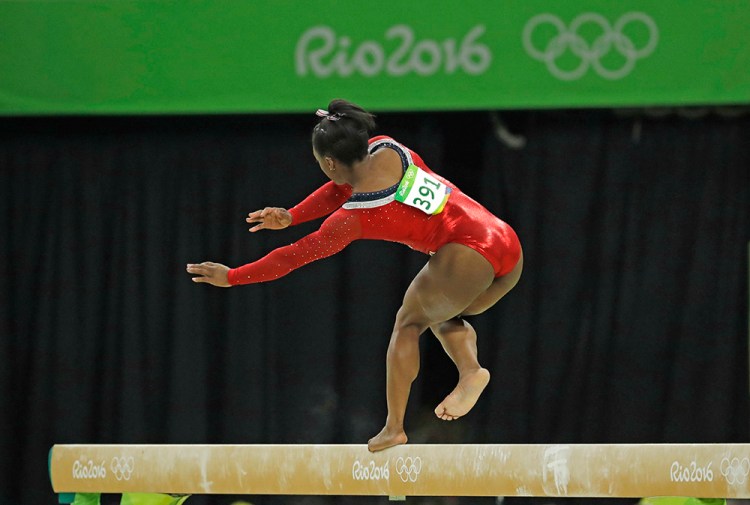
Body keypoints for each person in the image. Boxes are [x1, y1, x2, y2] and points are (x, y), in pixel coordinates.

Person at [186, 99, 523, 452]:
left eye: (320, 162)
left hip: (467, 254)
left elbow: (292, 257)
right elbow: (341, 187)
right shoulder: (388, 147)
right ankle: (470, 370)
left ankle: (395, 427)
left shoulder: (353, 218)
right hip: (505, 245)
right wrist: (291, 216)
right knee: (442, 314)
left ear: (329, 162)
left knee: (409, 323)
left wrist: (234, 276)